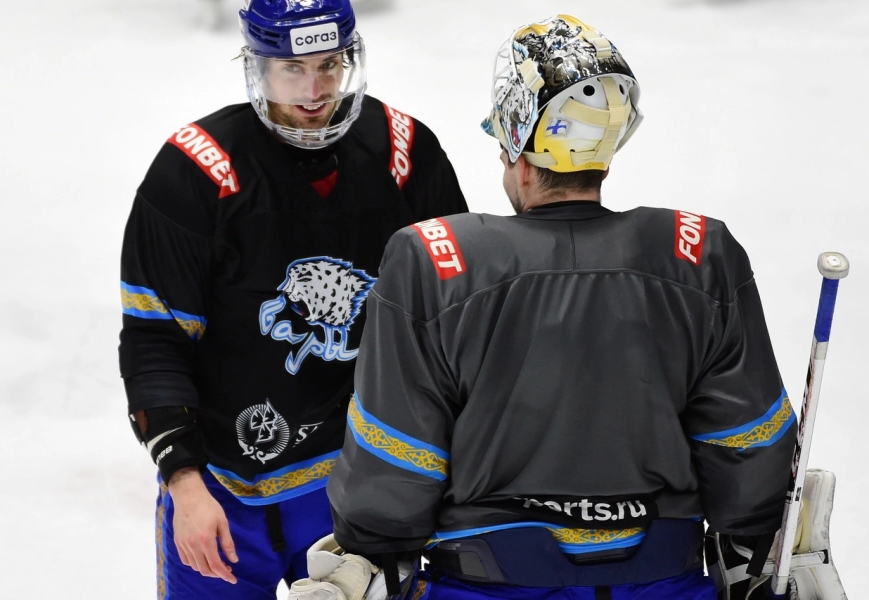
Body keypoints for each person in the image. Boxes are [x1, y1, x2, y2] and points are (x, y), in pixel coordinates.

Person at [287, 13, 799, 600]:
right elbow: (750, 450)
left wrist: (368, 546)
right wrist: (751, 543)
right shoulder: (699, 254)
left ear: (512, 138)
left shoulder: (433, 261)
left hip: (485, 584)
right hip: (665, 580)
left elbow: (394, 468)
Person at [118, 0, 468, 597]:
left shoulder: (405, 155)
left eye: (330, 65)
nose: (315, 89)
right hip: (226, 494)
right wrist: (184, 483)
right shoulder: (196, 171)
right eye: (292, 68)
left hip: (366, 488)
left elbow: (455, 325)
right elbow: (156, 339)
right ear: (257, 66)